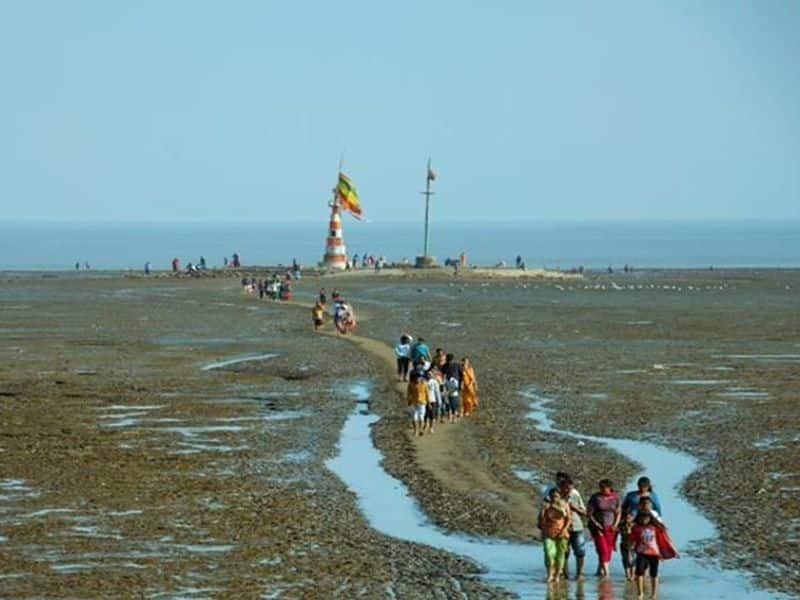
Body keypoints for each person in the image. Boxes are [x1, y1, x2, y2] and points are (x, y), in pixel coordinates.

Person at [628, 510, 678, 599]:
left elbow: (663, 540)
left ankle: (654, 594)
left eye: (646, 518)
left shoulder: (655, 528)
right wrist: (630, 551)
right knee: (639, 573)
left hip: (654, 553)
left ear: (650, 519)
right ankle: (640, 593)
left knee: (653, 574)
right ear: (638, 518)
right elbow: (632, 540)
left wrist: (672, 550)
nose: (644, 520)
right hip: (641, 553)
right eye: (642, 518)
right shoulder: (636, 528)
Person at [587, 478, 621, 577]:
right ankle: (607, 573)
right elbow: (589, 513)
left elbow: (618, 512)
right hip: (598, 527)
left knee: (609, 548)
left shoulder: (616, 497)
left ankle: (600, 570)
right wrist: (596, 523)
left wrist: (615, 524)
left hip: (611, 526)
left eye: (604, 488)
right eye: (601, 488)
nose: (602, 490)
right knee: (602, 549)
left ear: (609, 488)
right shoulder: (595, 497)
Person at [538, 487, 572, 583]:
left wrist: (564, 530)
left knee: (560, 555)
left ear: (560, 496)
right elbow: (540, 520)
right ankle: (549, 574)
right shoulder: (547, 505)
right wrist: (543, 510)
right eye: (552, 496)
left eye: (556, 496)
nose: (554, 498)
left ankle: (557, 575)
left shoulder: (564, 505)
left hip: (561, 532)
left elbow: (568, 519)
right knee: (549, 553)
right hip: (548, 532)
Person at [559, 477, 587, 581]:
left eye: (570, 488)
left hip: (576, 526)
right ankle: (564, 573)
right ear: (561, 488)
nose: (568, 490)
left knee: (580, 550)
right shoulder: (556, 497)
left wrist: (574, 508)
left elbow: (584, 512)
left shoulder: (575, 496)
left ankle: (579, 573)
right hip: (561, 527)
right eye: (565, 488)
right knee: (564, 551)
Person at [424, 368, 442, 434]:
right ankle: (426, 425)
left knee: (432, 415)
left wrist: (439, 401)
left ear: (432, 375)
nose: (429, 375)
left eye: (430, 374)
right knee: (425, 414)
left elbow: (437, 392)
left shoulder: (434, 382)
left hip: (433, 400)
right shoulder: (424, 382)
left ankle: (431, 428)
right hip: (425, 400)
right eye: (428, 374)